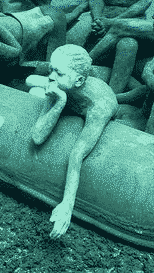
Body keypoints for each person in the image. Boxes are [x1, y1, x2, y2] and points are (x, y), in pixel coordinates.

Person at [26, 44, 119, 239]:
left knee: (33, 87)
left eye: (58, 73)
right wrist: (59, 103)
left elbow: (77, 155)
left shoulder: (100, 106)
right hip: (70, 95)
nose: (51, 76)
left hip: (89, 104)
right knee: (31, 83)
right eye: (51, 69)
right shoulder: (59, 85)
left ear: (79, 80)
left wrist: (67, 205)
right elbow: (37, 137)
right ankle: (54, 84)